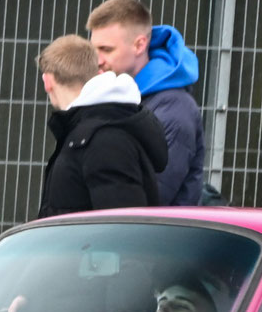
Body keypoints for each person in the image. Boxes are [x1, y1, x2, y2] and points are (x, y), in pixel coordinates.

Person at [86, 0, 204, 207]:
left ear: (140, 45)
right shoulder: (125, 100)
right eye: (93, 50)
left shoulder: (174, 108)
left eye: (106, 49)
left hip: (154, 237)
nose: (98, 60)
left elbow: (150, 198)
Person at [36, 34, 166, 219]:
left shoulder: (104, 139)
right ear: (98, 73)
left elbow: (122, 226)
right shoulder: (90, 131)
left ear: (47, 81)